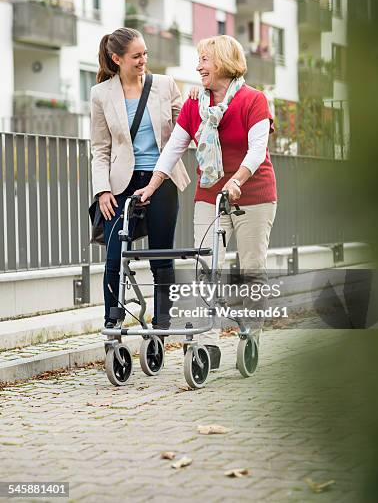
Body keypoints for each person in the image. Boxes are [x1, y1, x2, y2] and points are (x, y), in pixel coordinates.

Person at [135, 35, 278, 369]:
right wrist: (152, 186)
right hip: (209, 194)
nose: (198, 66)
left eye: (204, 60)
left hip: (254, 194)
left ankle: (250, 334)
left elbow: (258, 150)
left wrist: (237, 180)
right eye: (198, 59)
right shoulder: (195, 105)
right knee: (206, 267)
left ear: (224, 62)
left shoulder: (253, 100)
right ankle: (207, 343)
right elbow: (174, 148)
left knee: (251, 269)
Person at [90, 27, 190, 332]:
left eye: (145, 53)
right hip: (121, 184)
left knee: (161, 254)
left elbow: (187, 126)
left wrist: (199, 102)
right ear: (117, 58)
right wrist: (102, 191)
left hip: (162, 179)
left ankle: (162, 321)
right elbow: (99, 148)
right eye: (136, 56)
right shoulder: (101, 94)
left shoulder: (164, 85)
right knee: (114, 254)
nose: (143, 60)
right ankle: (112, 319)